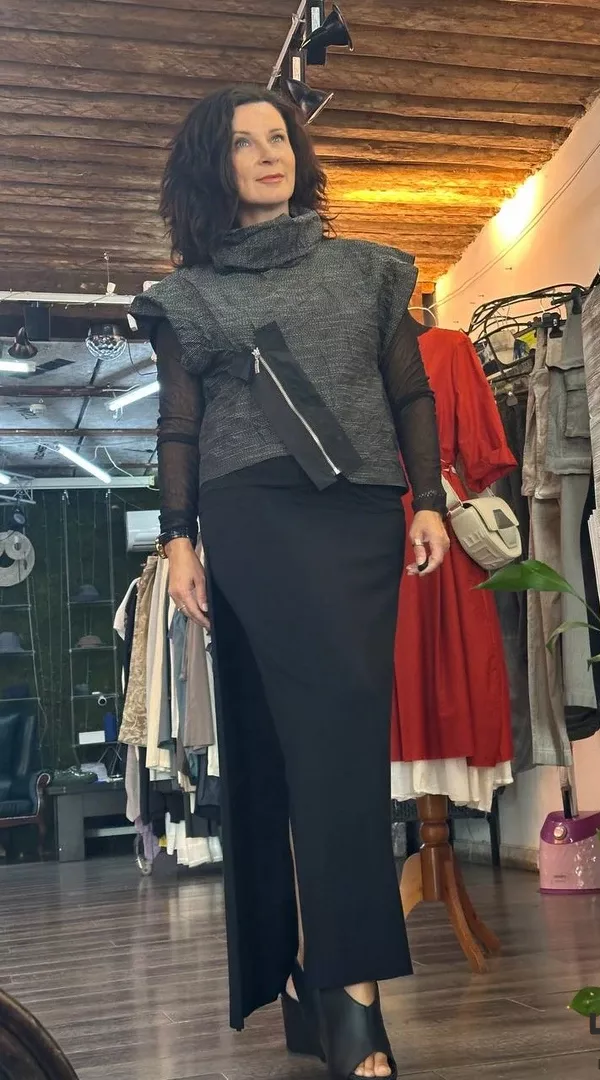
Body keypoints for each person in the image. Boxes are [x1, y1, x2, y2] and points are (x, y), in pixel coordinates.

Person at [130, 85, 450, 1080]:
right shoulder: (187, 296)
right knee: (322, 742)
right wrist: (177, 539)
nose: (268, 153)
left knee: (341, 734)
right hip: (254, 513)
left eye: (280, 137)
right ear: (211, 167)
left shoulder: (370, 271)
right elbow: (178, 426)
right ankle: (353, 1001)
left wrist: (431, 501)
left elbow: (410, 392)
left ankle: (322, 977)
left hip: (359, 513)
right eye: (243, 143)